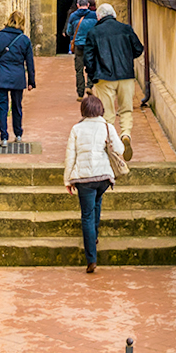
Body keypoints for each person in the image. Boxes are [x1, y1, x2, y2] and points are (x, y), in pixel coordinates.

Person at [63, 94, 123, 273]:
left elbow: (70, 156)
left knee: (87, 215)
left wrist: (67, 179)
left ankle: (91, 258)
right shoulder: (107, 127)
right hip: (103, 176)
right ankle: (94, 235)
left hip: (84, 178)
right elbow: (120, 149)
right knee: (96, 204)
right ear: (100, 109)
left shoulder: (76, 129)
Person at [84, 3, 145, 160]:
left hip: (105, 77)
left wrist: (92, 76)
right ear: (114, 14)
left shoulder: (94, 32)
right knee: (126, 109)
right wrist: (126, 57)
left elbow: (88, 58)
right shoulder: (126, 29)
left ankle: (110, 143)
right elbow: (138, 48)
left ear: (99, 17)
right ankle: (125, 135)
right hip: (126, 75)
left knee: (108, 113)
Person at [0, 10, 35, 143]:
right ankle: (18, 134)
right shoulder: (24, 40)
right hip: (17, 77)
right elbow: (29, 62)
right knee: (17, 106)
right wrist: (31, 81)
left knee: (2, 107)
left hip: (0, 76)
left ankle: (4, 136)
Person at [63, 0, 98, 99]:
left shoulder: (73, 16)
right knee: (91, 66)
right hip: (91, 45)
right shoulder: (94, 15)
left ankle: (80, 93)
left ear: (78, 5)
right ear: (87, 5)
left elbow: (69, 32)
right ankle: (89, 86)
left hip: (79, 45)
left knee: (79, 70)